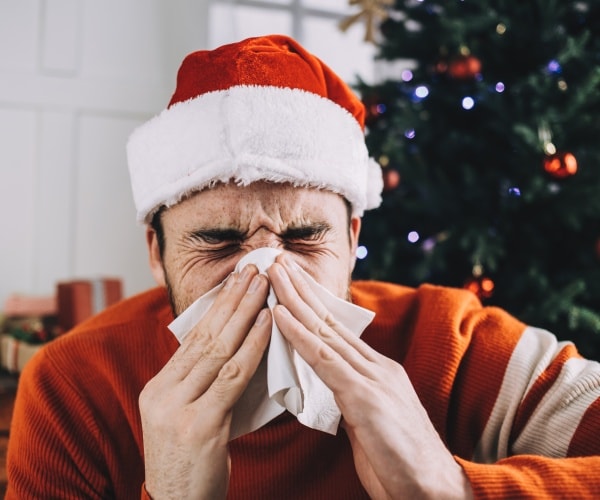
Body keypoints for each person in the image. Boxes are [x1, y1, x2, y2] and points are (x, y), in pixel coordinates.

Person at [6, 34, 600, 499]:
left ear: (351, 236)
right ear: (156, 249)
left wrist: (451, 489)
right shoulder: (74, 385)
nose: (266, 274)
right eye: (217, 240)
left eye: (304, 236)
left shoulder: (455, 346)